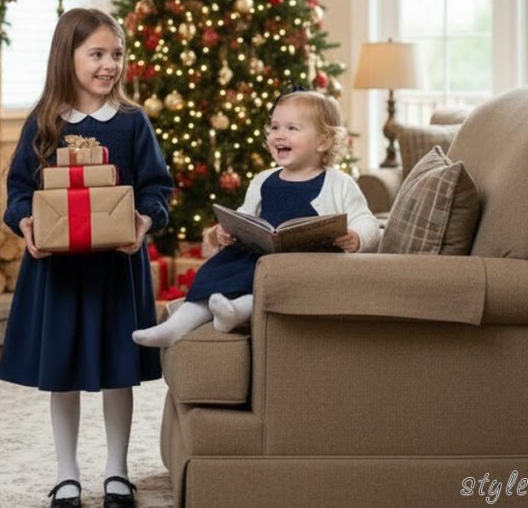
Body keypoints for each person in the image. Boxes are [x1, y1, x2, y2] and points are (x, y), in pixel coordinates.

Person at [0, 8, 174, 508]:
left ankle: (117, 470)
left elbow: (157, 187)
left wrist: (144, 221)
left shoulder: (133, 122)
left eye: (116, 54)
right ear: (66, 56)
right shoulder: (44, 121)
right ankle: (66, 474)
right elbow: (19, 190)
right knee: (64, 370)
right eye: (96, 54)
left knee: (119, 369)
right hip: (59, 272)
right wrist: (25, 222)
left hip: (116, 269)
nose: (109, 65)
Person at [132, 91, 380, 348]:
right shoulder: (263, 180)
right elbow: (243, 217)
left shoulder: (339, 183)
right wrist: (224, 232)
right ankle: (174, 327)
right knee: (216, 271)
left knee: (268, 281)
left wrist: (357, 237)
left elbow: (367, 221)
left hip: (306, 265)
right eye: (274, 127)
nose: (279, 135)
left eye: (292, 128)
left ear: (323, 141)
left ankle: (236, 312)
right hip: (260, 256)